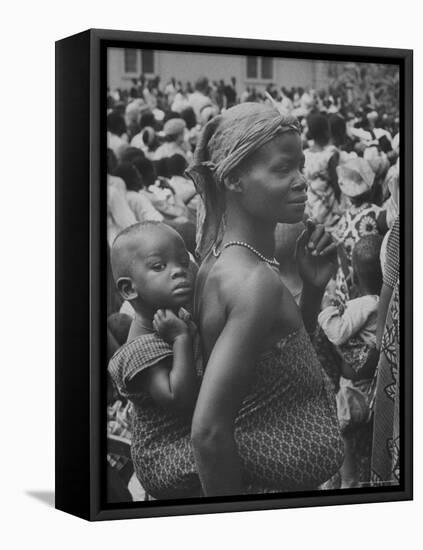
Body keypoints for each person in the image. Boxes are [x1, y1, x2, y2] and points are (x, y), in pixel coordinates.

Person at [186, 103, 344, 496]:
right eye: (282, 169)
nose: (302, 181)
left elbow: (273, 366)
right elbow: (208, 433)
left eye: (301, 166)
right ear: (234, 179)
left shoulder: (219, 263)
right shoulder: (254, 282)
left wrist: (312, 290)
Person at [108, 221, 202, 499]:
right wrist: (182, 340)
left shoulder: (173, 316)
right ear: (128, 290)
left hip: (184, 440)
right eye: (159, 266)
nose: (179, 272)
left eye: (183, 262)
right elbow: (176, 397)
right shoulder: (141, 348)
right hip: (166, 458)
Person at [319, 234, 383, 487]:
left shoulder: (362, 304)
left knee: (341, 429)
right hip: (373, 389)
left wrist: (326, 309)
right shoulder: (382, 303)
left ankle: (349, 479)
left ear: (355, 278)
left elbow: (337, 333)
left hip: (353, 391)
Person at [303, 113, 341, 228]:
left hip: (311, 208)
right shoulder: (329, 156)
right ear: (326, 132)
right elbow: (336, 186)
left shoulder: (305, 154)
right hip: (328, 211)